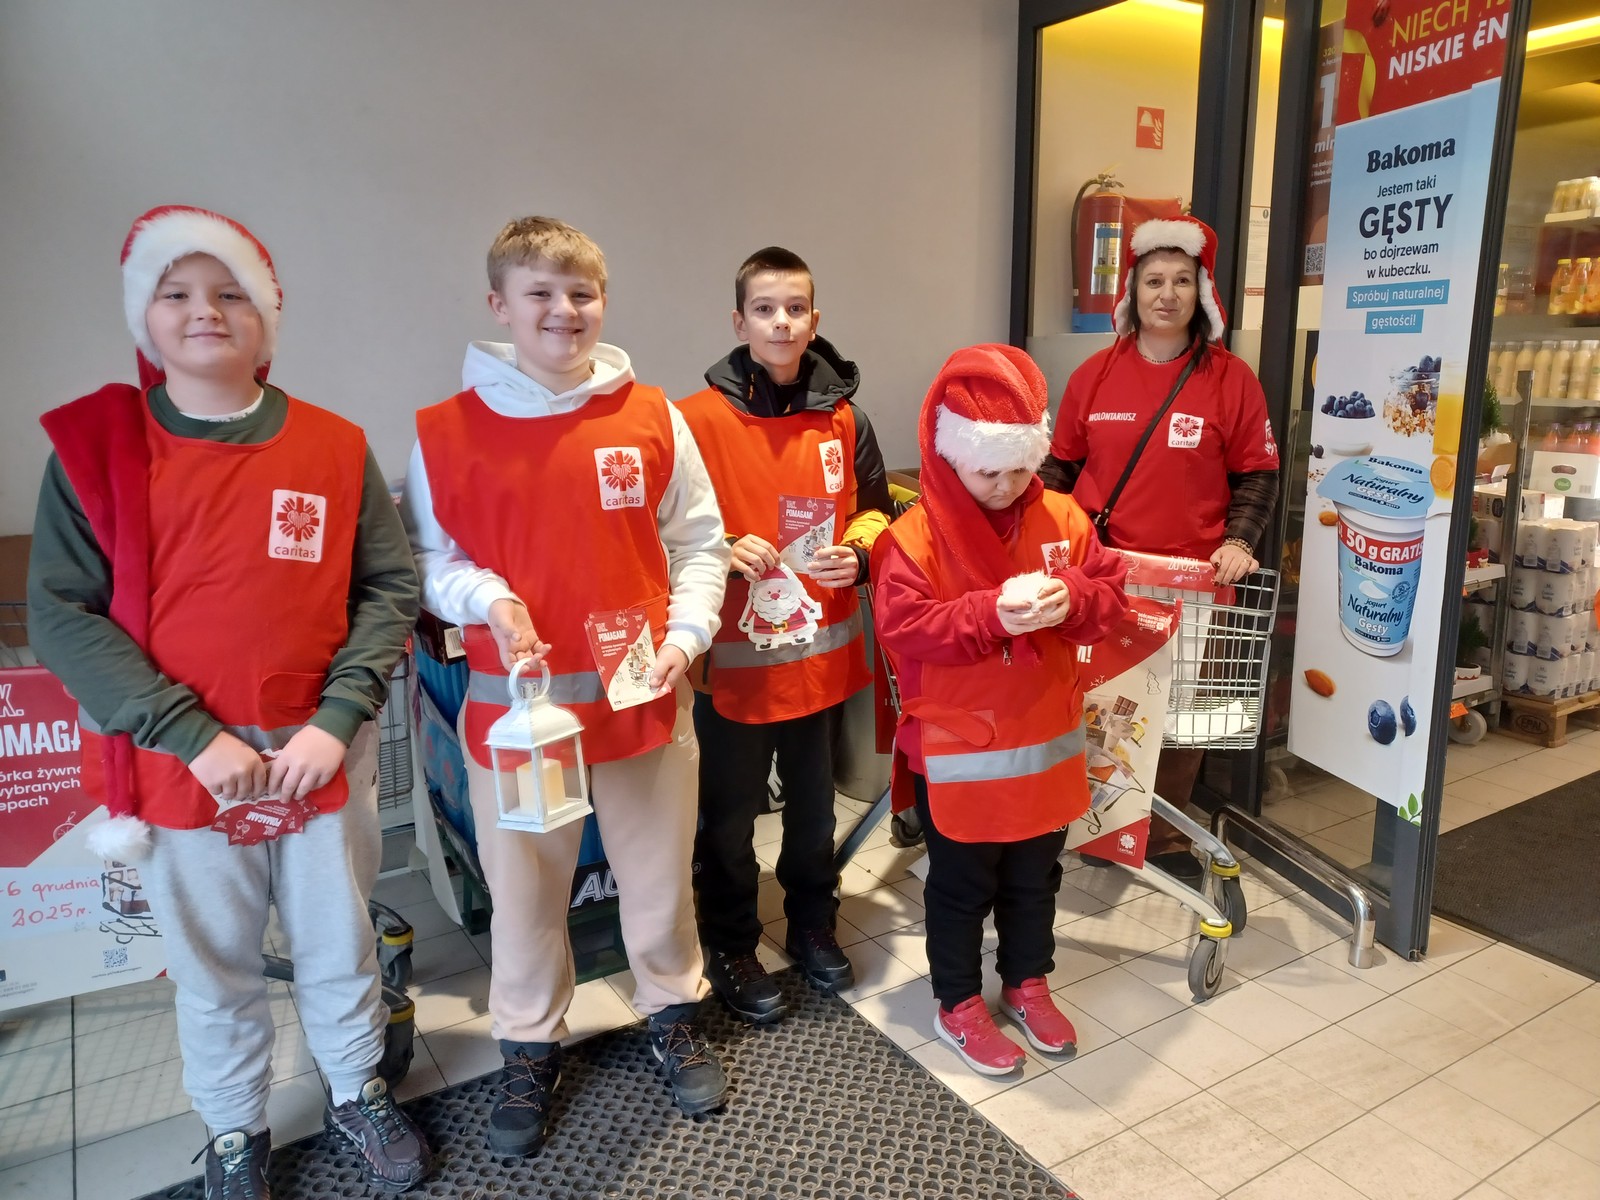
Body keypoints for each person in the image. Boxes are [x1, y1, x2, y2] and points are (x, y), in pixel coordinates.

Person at [27, 206, 430, 1198]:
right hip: (183, 768)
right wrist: (189, 735)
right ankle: (235, 1126)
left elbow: (386, 588)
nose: (205, 311)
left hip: (319, 754)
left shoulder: (333, 446)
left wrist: (338, 720)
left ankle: (356, 1087)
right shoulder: (94, 455)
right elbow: (63, 615)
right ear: (144, 315)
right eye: (177, 293)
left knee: (340, 942)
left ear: (268, 316)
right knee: (214, 967)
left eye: (230, 293)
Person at [401, 216, 732, 1158]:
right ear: (499, 305)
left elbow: (699, 545)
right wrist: (489, 598)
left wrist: (688, 635)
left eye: (581, 293)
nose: (563, 311)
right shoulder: (446, 430)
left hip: (641, 692)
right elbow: (433, 561)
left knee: (658, 880)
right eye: (539, 293)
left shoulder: (652, 415)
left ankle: (673, 1012)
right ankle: (529, 1046)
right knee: (524, 893)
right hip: (518, 711)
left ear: (603, 302)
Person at [871, 344, 1128, 1077]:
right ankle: (957, 1002)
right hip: (959, 755)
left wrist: (1071, 598)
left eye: (1020, 468)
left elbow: (1108, 595)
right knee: (961, 888)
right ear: (950, 454)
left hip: (1044, 741)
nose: (1008, 485)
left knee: (1035, 879)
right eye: (990, 471)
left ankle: (1027, 982)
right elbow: (903, 627)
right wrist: (989, 615)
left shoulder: (1062, 517)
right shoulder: (911, 538)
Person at [677, 247, 893, 1023]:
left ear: (814, 319)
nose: (781, 322)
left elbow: (877, 508)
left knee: (812, 811)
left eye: (795, 308)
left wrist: (859, 552)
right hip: (731, 667)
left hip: (820, 660)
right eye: (765, 309)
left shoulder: (845, 418)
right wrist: (721, 547)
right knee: (728, 818)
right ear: (739, 322)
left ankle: (812, 924)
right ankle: (732, 942)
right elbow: (666, 529)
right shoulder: (693, 420)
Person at [1040, 216, 1280, 883]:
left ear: (1201, 292)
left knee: (1174, 716)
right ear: (1133, 291)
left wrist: (1239, 539)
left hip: (1189, 581)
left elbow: (1257, 472)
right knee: (1091, 703)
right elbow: (1060, 468)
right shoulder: (1094, 375)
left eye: (1181, 281)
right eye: (1153, 281)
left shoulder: (1231, 379)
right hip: (1100, 575)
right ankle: (1086, 822)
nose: (1166, 294)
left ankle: (1163, 837)